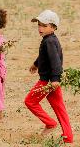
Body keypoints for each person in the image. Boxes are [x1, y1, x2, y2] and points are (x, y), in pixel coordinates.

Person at [24, 10, 73, 143]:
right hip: (53, 81)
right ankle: (68, 137)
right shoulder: (50, 39)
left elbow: (55, 61)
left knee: (30, 101)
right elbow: (44, 56)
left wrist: (56, 79)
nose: (40, 28)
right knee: (59, 108)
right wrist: (36, 64)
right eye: (39, 25)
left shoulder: (49, 42)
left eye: (44, 26)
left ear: (53, 27)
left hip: (47, 82)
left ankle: (50, 123)